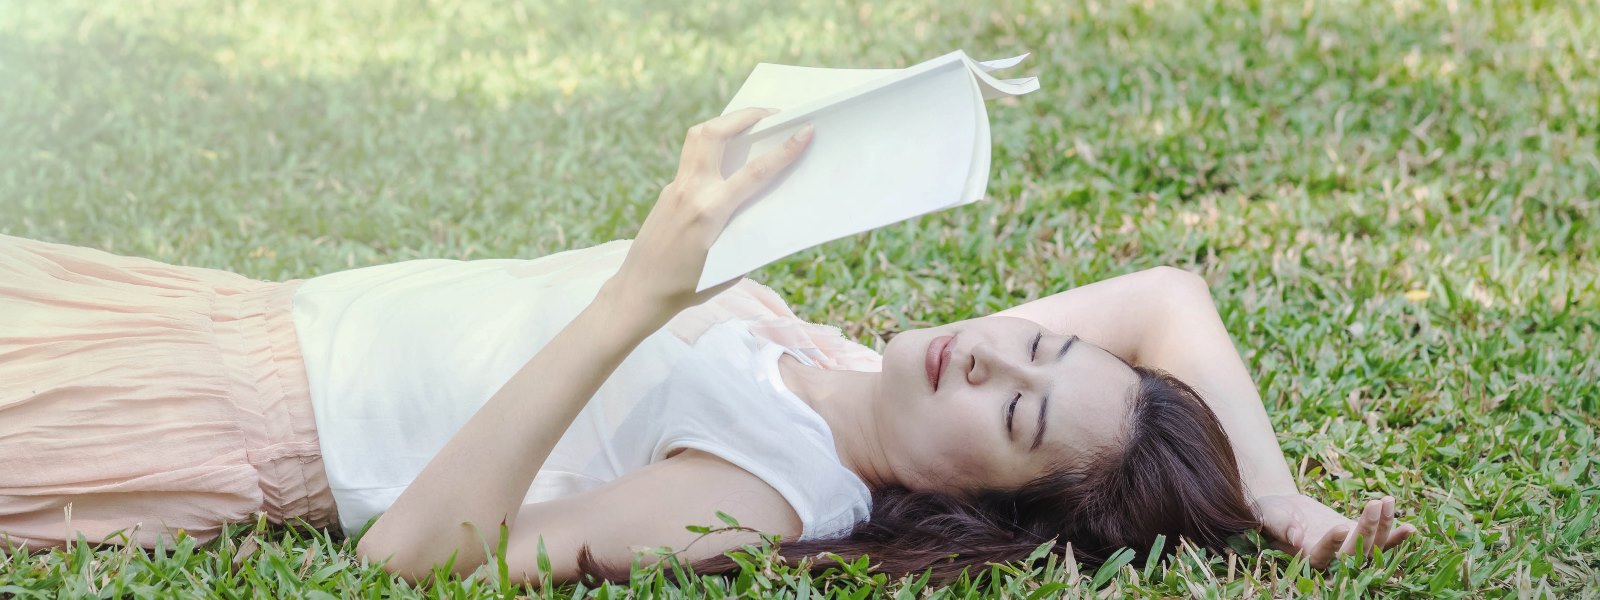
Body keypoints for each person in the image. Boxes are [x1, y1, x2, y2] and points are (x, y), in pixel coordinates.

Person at [0, 108, 1414, 585]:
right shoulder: (843, 366)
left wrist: (639, 295)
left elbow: (421, 560)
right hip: (215, 312)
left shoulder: (771, 485)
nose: (993, 358)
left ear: (977, 500)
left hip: (198, 415)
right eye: (1035, 338)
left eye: (1017, 413)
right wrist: (1278, 499)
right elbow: (1167, 296)